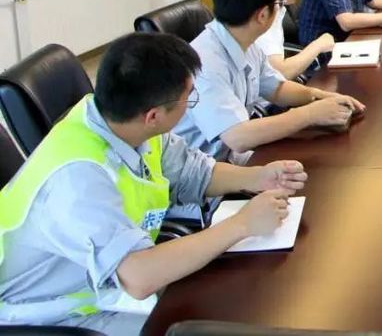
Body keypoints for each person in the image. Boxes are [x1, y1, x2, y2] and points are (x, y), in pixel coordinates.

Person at [0, 33, 305, 335]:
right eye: (189, 97)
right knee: (214, 323)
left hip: (107, 280)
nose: (190, 104)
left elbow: (194, 172)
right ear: (154, 116)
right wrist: (242, 224)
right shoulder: (78, 180)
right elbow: (138, 276)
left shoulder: (122, 122)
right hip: (54, 313)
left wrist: (259, 177)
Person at [173, 0, 365, 170]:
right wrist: (310, 115)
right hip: (202, 174)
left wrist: (322, 97)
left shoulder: (242, 40)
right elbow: (238, 137)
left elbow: (276, 88)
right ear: (263, 15)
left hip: (230, 157)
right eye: (278, 3)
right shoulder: (205, 63)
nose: (280, 9)